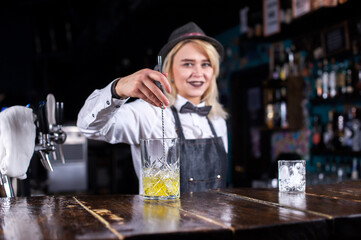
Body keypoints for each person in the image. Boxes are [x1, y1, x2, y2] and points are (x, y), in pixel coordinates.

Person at [77, 22, 228, 192]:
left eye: (206, 64)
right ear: (167, 70)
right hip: (161, 218)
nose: (198, 72)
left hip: (215, 218)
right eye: (187, 64)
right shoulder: (147, 112)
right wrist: (117, 89)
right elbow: (88, 128)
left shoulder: (217, 119)